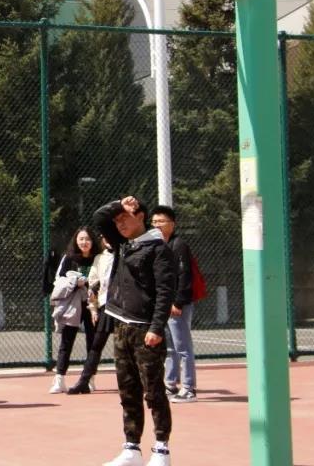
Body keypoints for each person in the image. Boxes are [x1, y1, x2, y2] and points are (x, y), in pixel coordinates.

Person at [93, 196, 177, 466]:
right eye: (117, 221)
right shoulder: (122, 244)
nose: (119, 224)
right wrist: (118, 204)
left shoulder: (158, 250)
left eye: (124, 219)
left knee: (153, 391)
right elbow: (99, 218)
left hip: (146, 331)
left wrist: (157, 327)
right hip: (121, 326)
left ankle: (161, 450)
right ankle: (132, 449)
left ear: (140, 216)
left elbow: (165, 292)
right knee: (127, 391)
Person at [151, 206, 198, 404]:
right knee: (169, 347)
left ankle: (189, 388)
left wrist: (178, 302)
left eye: (161, 221)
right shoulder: (157, 245)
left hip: (177, 305)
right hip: (163, 304)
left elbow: (185, 275)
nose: (157, 225)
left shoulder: (179, 245)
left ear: (172, 224)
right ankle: (170, 383)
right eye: (154, 222)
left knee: (182, 347)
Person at [45, 228, 96, 394]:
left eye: (87, 239)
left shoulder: (98, 258)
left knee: (93, 342)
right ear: (76, 241)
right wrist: (75, 282)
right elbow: (59, 279)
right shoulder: (69, 258)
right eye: (81, 239)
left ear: (92, 241)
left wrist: (92, 288)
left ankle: (89, 379)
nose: (84, 242)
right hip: (73, 304)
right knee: (67, 341)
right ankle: (59, 379)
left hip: (93, 304)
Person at [67, 235, 116, 394]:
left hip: (125, 308)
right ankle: (84, 381)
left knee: (128, 347)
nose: (108, 239)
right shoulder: (100, 258)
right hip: (105, 306)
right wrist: (93, 308)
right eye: (105, 236)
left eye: (111, 234)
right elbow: (93, 284)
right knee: (96, 345)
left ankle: (142, 382)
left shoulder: (125, 254)